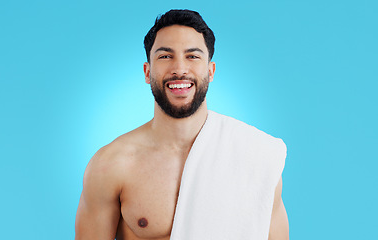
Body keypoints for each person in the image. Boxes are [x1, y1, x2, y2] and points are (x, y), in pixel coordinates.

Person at [75, 9, 289, 240]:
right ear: (148, 72)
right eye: (165, 56)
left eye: (192, 56)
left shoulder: (256, 157)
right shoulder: (111, 165)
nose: (179, 69)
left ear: (210, 70)